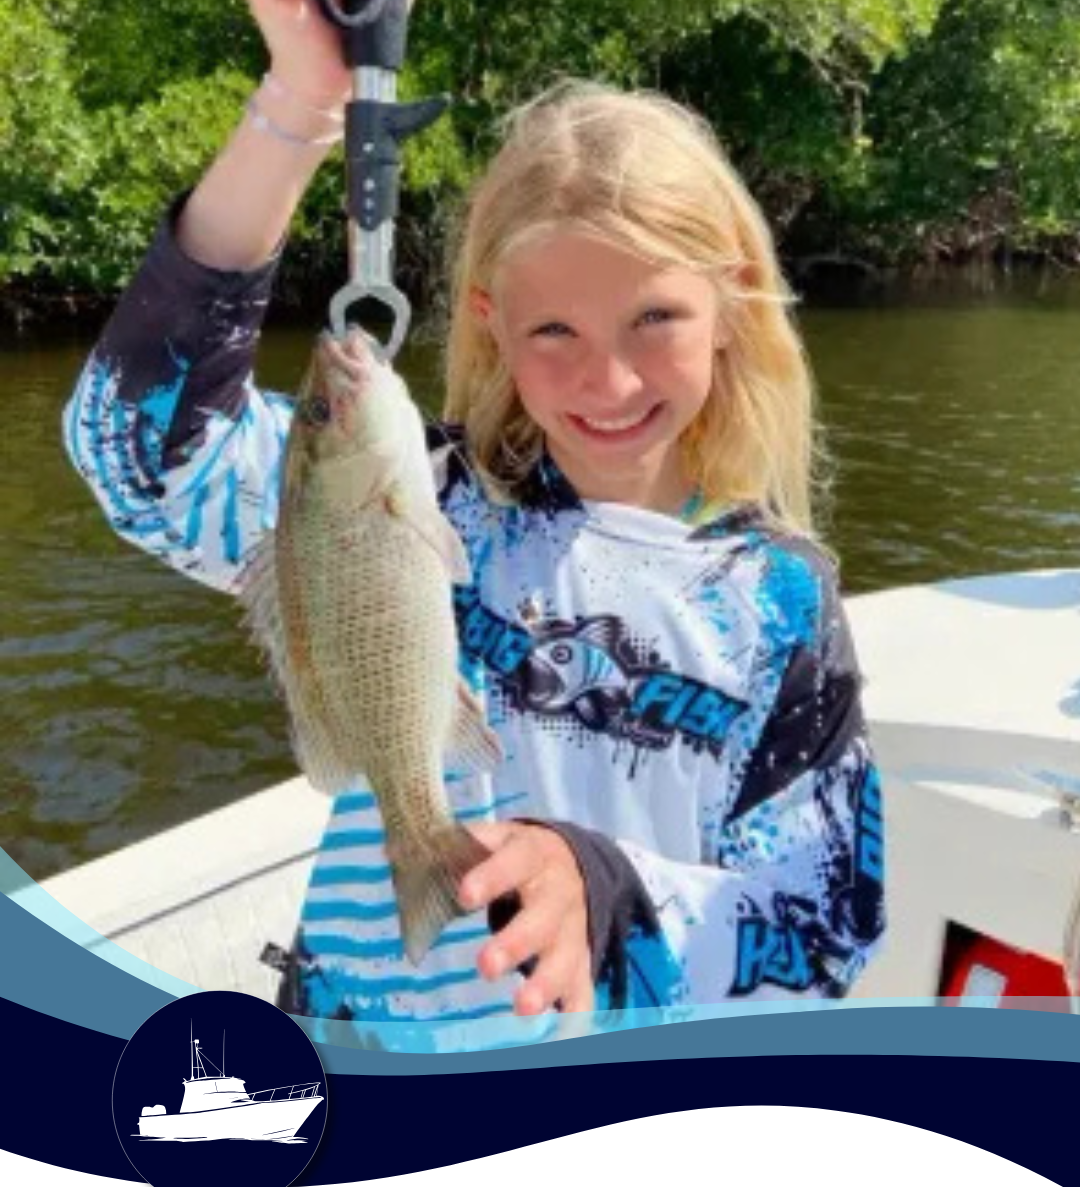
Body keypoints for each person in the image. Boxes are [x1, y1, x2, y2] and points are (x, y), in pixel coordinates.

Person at [62, 0, 885, 1043]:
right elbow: (132, 451)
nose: (610, 377)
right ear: (491, 320)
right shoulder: (419, 495)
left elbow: (827, 927)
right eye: (555, 329)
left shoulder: (780, 601)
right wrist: (299, 108)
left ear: (733, 304)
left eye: (655, 318)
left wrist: (608, 891)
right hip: (359, 1046)